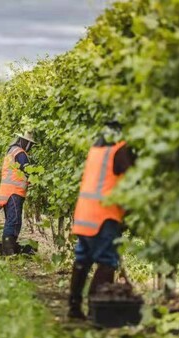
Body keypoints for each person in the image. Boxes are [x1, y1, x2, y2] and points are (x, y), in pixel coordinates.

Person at [68, 121, 135, 320]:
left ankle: (74, 308)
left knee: (83, 259)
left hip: (85, 214)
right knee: (107, 262)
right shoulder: (119, 150)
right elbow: (133, 179)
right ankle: (97, 312)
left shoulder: (96, 149)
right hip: (104, 216)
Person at [0, 132, 36, 256]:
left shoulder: (11, 152)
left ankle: (8, 248)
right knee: (14, 221)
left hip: (7, 192)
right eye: (30, 144)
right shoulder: (20, 153)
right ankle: (8, 251)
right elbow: (27, 170)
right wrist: (36, 180)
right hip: (14, 192)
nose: (30, 147)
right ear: (25, 142)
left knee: (11, 220)